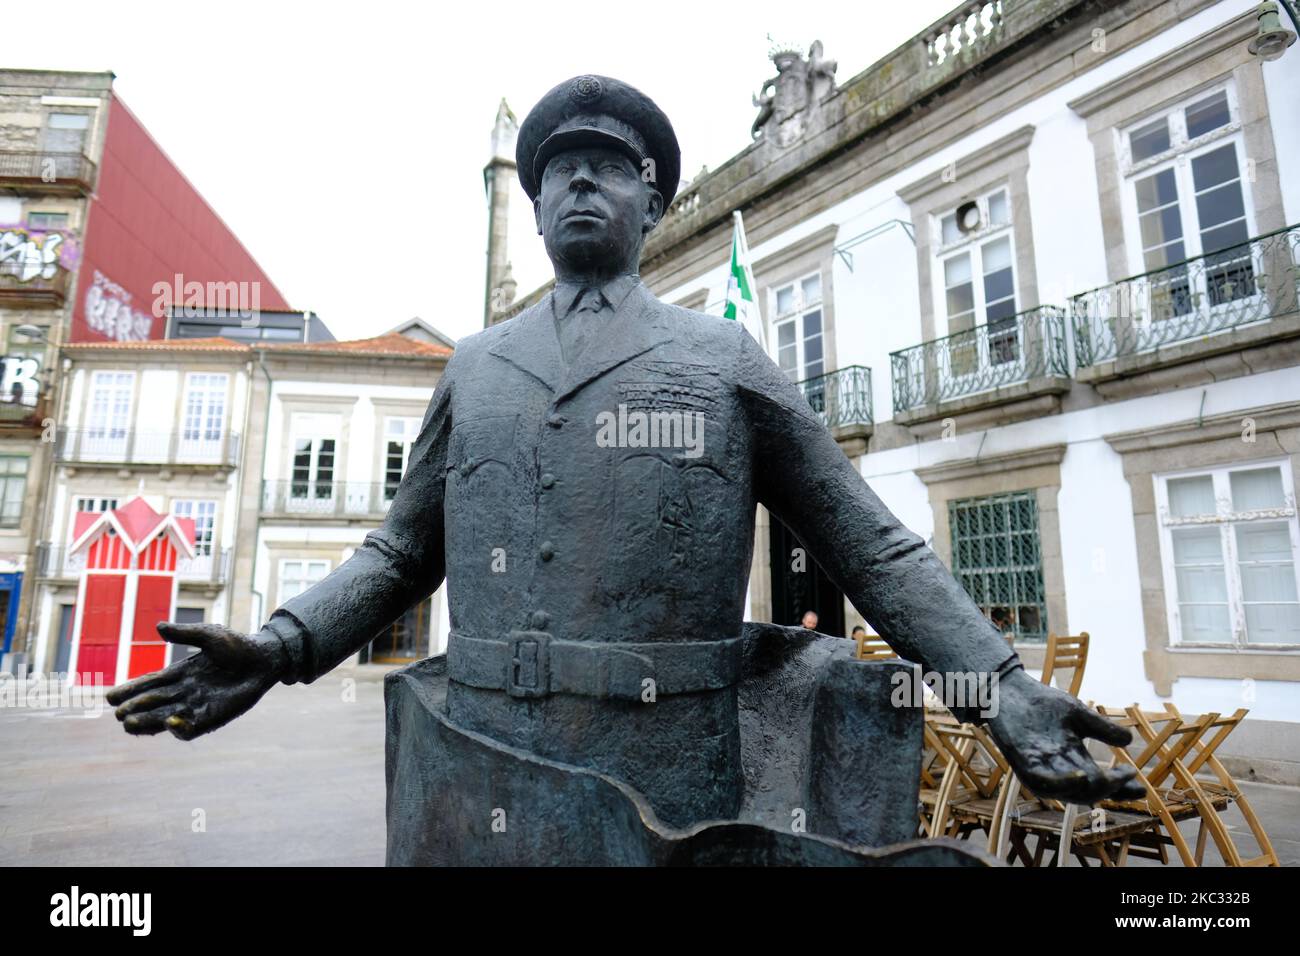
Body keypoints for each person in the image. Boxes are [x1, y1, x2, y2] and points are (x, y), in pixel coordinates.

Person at [107, 74, 1140, 835]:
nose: (580, 186)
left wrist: (993, 684)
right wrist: (283, 644)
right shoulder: (475, 366)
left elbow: (871, 545)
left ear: (652, 206)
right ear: (539, 205)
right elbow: (398, 553)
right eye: (558, 173)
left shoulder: (720, 356)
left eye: (608, 170)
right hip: (481, 762)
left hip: (662, 774)